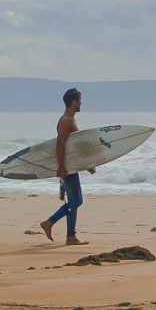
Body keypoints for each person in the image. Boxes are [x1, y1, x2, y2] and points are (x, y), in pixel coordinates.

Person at [39, 87, 95, 245]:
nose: (81, 103)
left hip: (71, 166)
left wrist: (86, 165)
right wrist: (62, 167)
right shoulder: (66, 121)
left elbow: (73, 149)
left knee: (76, 202)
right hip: (68, 168)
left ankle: (70, 237)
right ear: (73, 101)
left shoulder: (70, 120)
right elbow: (60, 144)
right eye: (79, 100)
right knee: (76, 201)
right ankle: (49, 223)